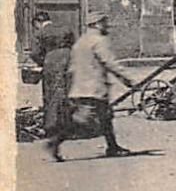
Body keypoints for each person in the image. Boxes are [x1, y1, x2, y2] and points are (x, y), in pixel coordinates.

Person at [46, 13, 134, 160]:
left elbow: (72, 67)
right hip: (93, 88)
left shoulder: (81, 41)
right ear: (97, 24)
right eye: (105, 22)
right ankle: (55, 141)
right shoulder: (99, 41)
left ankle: (112, 146)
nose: (107, 25)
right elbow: (110, 62)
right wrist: (129, 79)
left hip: (80, 87)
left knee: (105, 117)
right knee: (83, 121)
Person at [37, 17, 74, 143]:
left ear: (37, 23)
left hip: (52, 62)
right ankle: (70, 126)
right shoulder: (65, 28)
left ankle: (52, 129)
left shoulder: (40, 32)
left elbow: (35, 53)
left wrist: (43, 62)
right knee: (68, 93)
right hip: (69, 60)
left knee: (51, 95)